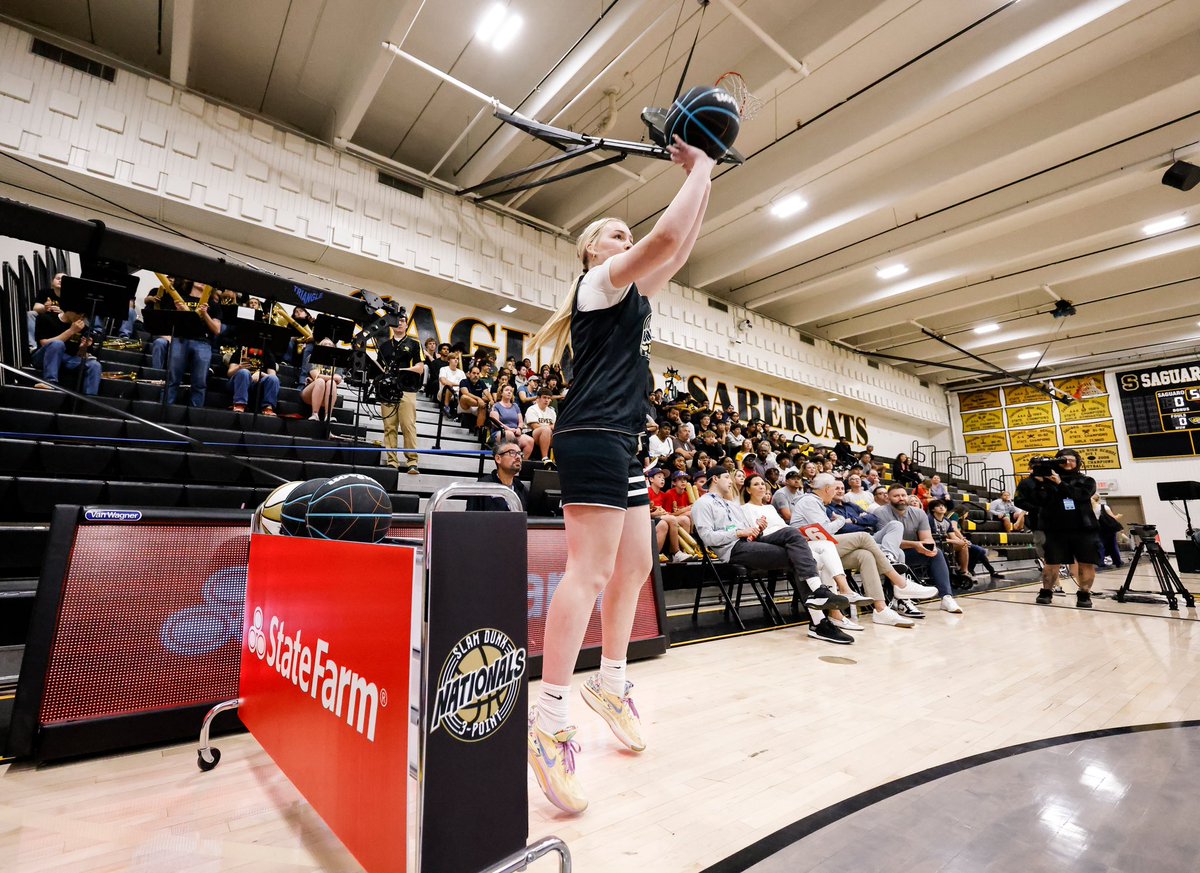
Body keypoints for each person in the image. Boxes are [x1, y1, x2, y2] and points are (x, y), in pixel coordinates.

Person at [523, 136, 717, 815]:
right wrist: (704, 166)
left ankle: (610, 679)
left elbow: (679, 247)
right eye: (613, 232)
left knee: (635, 565)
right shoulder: (599, 283)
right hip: (593, 437)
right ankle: (547, 721)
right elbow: (665, 237)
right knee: (591, 571)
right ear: (591, 251)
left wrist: (703, 175)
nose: (623, 235)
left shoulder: (630, 293)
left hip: (622, 442)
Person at [694, 468, 851, 643]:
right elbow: (707, 538)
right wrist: (738, 533)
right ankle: (818, 620)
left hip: (750, 542)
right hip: (732, 549)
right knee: (796, 556)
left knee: (792, 534)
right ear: (715, 479)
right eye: (726, 477)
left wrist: (757, 527)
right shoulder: (703, 503)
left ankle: (819, 598)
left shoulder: (732, 504)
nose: (731, 481)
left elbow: (748, 530)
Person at [1017, 450, 1100, 608]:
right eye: (1063, 460)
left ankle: (1084, 594)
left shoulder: (1087, 480)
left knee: (1086, 562)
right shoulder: (1047, 481)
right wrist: (1038, 482)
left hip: (1083, 528)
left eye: (1071, 460)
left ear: (1078, 462)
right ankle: (1047, 592)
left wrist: (1060, 484)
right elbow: (1037, 501)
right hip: (1055, 528)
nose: (1068, 463)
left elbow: (1081, 495)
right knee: (1051, 562)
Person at [871, 485, 963, 613]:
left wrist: (928, 547)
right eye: (896, 496)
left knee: (937, 553)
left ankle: (946, 597)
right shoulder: (880, 512)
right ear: (888, 498)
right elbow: (887, 542)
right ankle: (902, 598)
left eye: (903, 495)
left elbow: (927, 538)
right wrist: (915, 545)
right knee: (897, 551)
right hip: (887, 554)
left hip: (909, 551)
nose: (901, 498)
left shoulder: (919, 513)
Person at [376, 310, 424, 475]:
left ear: (406, 324)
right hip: (387, 390)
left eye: (402, 320)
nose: (399, 323)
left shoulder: (414, 344)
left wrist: (402, 370)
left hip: (407, 388)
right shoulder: (383, 346)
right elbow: (378, 367)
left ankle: (412, 462)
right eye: (396, 320)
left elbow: (420, 367)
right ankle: (392, 462)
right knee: (389, 427)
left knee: (408, 425)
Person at [165, 282, 223, 407]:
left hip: (203, 342)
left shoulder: (213, 304)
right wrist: (179, 311)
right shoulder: (180, 298)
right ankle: (164, 412)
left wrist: (205, 314)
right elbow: (169, 323)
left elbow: (217, 330)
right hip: (180, 339)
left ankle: (193, 414)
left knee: (200, 383)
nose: (202, 281)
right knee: (172, 379)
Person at [32, 302, 102, 395]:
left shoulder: (84, 328)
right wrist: (71, 331)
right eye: (78, 313)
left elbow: (80, 355)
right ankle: (50, 382)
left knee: (95, 365)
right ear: (68, 310)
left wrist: (83, 348)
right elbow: (44, 343)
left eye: (83, 315)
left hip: (68, 359)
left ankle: (90, 401)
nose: (81, 317)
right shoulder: (46, 318)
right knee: (58, 344)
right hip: (44, 357)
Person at [928, 499, 1003, 582]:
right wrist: (960, 539)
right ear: (933, 509)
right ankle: (974, 571)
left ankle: (964, 572)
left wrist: (961, 541)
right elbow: (933, 537)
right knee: (979, 550)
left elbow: (952, 535)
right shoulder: (931, 519)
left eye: (943, 506)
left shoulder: (946, 520)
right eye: (938, 506)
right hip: (936, 544)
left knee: (966, 546)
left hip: (946, 542)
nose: (941, 507)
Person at [466, 440, 529, 511]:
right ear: (498, 459)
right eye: (512, 453)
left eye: (520, 454)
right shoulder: (482, 486)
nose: (518, 457)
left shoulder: (521, 489)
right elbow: (471, 518)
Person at [226, 339, 279, 416]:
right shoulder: (241, 350)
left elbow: (272, 376)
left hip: (256, 385)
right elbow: (229, 373)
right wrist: (239, 367)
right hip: (238, 383)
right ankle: (239, 403)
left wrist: (260, 374)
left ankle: (268, 407)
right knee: (244, 372)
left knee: (274, 379)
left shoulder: (268, 354)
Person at [301, 338, 343, 422]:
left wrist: (329, 378)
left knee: (331, 383)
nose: (327, 346)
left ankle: (328, 415)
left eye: (330, 345)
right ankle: (315, 414)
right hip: (309, 392)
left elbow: (339, 378)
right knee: (320, 381)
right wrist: (332, 377)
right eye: (324, 345)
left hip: (327, 395)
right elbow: (315, 376)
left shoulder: (336, 361)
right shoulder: (312, 357)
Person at [489, 384, 534, 458]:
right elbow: (495, 422)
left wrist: (519, 428)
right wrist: (509, 429)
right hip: (500, 432)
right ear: (501, 393)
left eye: (511, 391)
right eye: (507, 390)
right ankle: (510, 459)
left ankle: (521, 464)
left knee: (530, 440)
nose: (509, 392)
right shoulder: (496, 406)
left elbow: (520, 421)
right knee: (509, 434)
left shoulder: (515, 406)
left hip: (515, 432)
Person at [524, 388, 557, 464]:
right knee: (546, 430)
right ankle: (545, 457)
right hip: (531, 434)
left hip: (546, 435)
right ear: (538, 398)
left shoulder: (552, 411)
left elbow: (555, 427)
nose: (546, 400)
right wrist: (549, 427)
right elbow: (535, 426)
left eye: (548, 398)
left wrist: (550, 428)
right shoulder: (532, 409)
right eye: (544, 397)